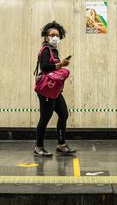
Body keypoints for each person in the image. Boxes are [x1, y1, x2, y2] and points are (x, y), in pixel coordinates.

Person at [34, 21, 76, 157]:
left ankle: (61, 144)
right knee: (45, 118)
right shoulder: (46, 50)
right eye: (52, 35)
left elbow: (53, 66)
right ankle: (38, 147)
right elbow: (45, 67)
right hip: (47, 89)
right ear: (46, 37)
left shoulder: (53, 50)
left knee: (63, 114)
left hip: (55, 90)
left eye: (57, 35)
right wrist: (61, 64)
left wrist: (60, 63)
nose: (55, 37)